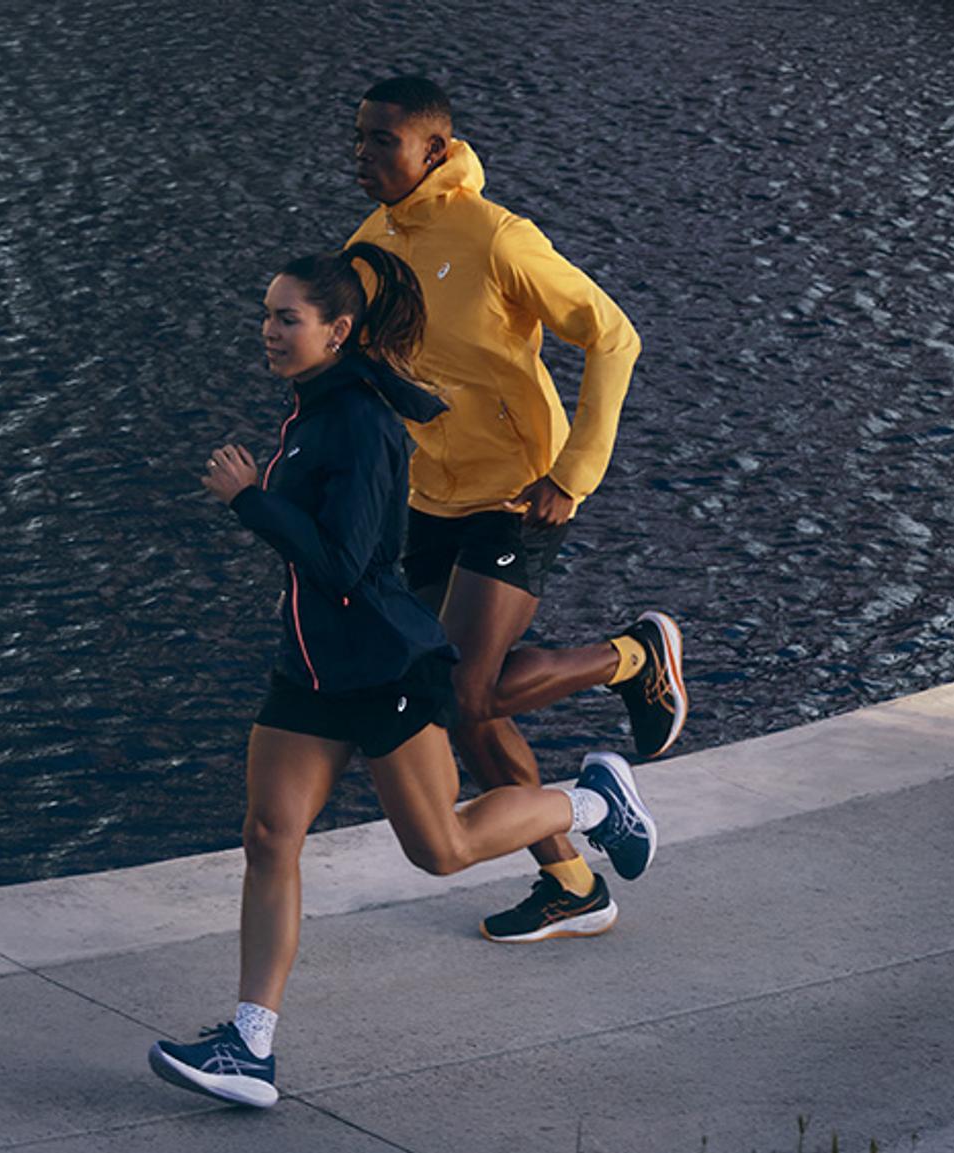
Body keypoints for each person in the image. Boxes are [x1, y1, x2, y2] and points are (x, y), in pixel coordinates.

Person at [147, 244, 658, 1110]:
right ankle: (250, 1046)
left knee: (442, 848)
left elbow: (348, 563)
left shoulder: (359, 423)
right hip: (308, 668)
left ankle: (596, 804)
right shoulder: (313, 407)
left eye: (287, 318)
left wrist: (250, 502)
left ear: (337, 330)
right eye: (267, 314)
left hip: (383, 662)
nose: (269, 330)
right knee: (270, 835)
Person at [345, 75, 688, 945]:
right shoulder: (368, 246)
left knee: (470, 687)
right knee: (451, 695)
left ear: (433, 148)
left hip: (518, 491)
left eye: (383, 139)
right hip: (432, 496)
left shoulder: (497, 237)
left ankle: (634, 655)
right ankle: (574, 883)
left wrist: (574, 472)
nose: (364, 152)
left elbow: (613, 334)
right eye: (359, 137)